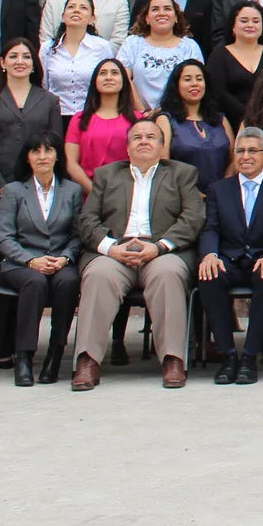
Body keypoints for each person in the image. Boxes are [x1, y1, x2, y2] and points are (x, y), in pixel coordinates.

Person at [69, 116, 204, 390]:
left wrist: (159, 247)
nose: (144, 141)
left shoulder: (182, 173)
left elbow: (193, 217)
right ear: (127, 148)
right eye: (137, 137)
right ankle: (87, 360)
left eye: (151, 137)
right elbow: (87, 218)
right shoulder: (107, 174)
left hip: (161, 251)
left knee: (168, 274)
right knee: (97, 275)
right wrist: (111, 248)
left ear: (162, 147)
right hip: (116, 251)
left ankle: (172, 358)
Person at [196, 126, 263, 386]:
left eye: (253, 150)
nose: (245, 156)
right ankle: (228, 356)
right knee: (209, 276)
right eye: (240, 151)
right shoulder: (219, 190)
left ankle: (250, 357)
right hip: (229, 258)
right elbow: (211, 228)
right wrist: (210, 255)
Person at [0, 40, 61, 300]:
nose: (20, 61)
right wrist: (1, 187)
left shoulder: (49, 100)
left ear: (34, 64)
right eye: (13, 56)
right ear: (2, 62)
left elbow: (53, 147)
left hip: (35, 192)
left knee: (28, 258)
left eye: (26, 56)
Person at [0, 133, 82, 386]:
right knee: (34, 282)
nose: (42, 156)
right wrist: (31, 261)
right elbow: (4, 237)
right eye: (36, 151)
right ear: (27, 158)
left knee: (68, 282)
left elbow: (78, 235)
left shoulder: (72, 190)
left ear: (57, 155)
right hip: (21, 264)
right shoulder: (13, 191)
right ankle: (24, 356)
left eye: (48, 150)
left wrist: (65, 258)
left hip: (60, 261)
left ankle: (55, 354)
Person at [117, 0, 204, 110]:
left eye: (167, 9)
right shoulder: (132, 43)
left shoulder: (189, 46)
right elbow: (123, 78)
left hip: (178, 115)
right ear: (147, 18)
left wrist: (162, 114)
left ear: (176, 17)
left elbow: (195, 84)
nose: (161, 13)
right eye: (155, 9)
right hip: (139, 116)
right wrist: (142, 112)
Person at [63, 59, 139, 196]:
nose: (109, 77)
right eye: (103, 73)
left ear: (124, 81)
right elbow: (71, 163)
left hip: (129, 195)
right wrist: (95, 193)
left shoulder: (137, 120)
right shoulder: (79, 119)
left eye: (115, 73)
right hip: (88, 195)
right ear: (95, 81)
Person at [155, 60, 234, 191]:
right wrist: (190, 193)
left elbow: (234, 158)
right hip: (182, 197)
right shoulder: (166, 120)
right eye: (187, 79)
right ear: (177, 85)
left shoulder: (220, 119)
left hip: (221, 195)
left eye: (199, 79)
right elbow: (163, 163)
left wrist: (222, 188)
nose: (194, 84)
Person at [40, 0, 115, 121]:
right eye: (71, 7)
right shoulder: (48, 48)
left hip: (91, 116)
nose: (76, 10)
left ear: (92, 19)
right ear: (63, 16)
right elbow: (43, 85)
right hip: (56, 117)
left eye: (83, 8)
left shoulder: (102, 47)